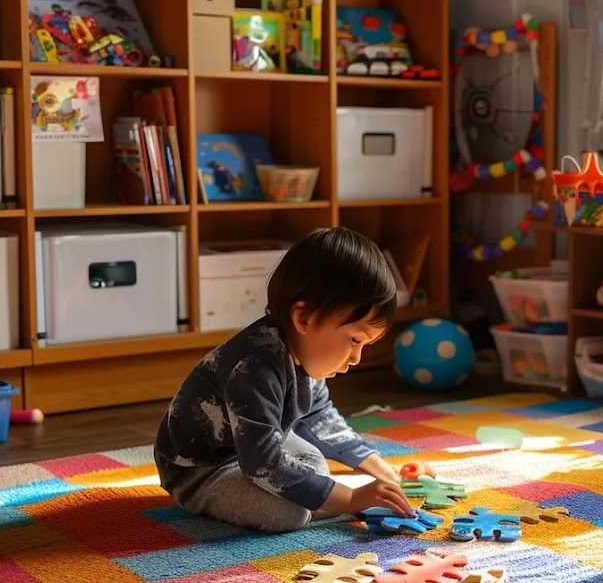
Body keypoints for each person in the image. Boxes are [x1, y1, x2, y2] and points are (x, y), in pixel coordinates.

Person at [155, 227, 411, 532]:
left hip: (248, 447)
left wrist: (382, 472)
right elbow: (263, 462)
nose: (356, 359)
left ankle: (316, 499)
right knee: (286, 514)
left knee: (312, 465)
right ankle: (312, 503)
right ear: (304, 319)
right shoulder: (255, 368)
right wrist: (352, 497)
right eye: (354, 340)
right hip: (200, 470)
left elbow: (321, 420)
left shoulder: (303, 352)